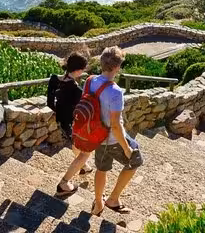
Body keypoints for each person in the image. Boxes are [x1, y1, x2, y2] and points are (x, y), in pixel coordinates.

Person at [57, 46, 143, 215]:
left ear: (102, 63)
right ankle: (113, 199)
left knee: (101, 169)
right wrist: (126, 148)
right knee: (136, 161)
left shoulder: (90, 80)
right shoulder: (115, 91)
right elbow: (116, 125)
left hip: (96, 137)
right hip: (112, 139)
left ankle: (98, 203)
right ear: (117, 67)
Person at [46, 51, 94, 195]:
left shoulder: (54, 79)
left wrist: (60, 111)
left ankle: (83, 166)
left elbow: (50, 103)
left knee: (75, 145)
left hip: (62, 121)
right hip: (74, 125)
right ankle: (63, 184)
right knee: (86, 152)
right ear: (79, 70)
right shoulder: (77, 90)